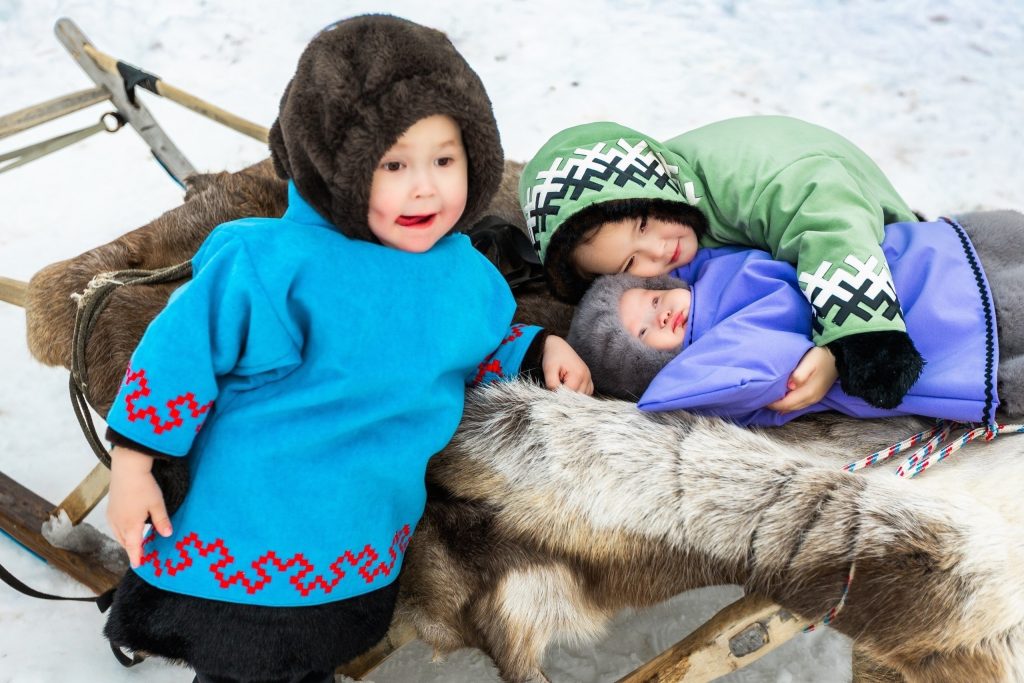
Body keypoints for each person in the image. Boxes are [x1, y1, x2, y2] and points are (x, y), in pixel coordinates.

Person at [101, 16, 591, 683]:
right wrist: (133, 462)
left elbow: (475, 344)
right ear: (338, 164)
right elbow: (179, 352)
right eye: (393, 164)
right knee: (242, 666)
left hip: (357, 544)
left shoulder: (463, 274)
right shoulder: (274, 263)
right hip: (246, 534)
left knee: (315, 655)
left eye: (443, 160)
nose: (424, 187)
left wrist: (538, 350)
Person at [519, 118, 927, 412]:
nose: (659, 251)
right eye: (630, 262)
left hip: (857, 208)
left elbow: (829, 222)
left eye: (644, 222)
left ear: (655, 186)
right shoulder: (678, 235)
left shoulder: (743, 179)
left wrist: (849, 340)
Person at [566, 212, 1024, 428]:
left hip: (914, 258)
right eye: (643, 333)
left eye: (648, 298)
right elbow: (760, 371)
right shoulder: (712, 357)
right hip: (935, 340)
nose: (660, 314)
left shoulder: (707, 264)